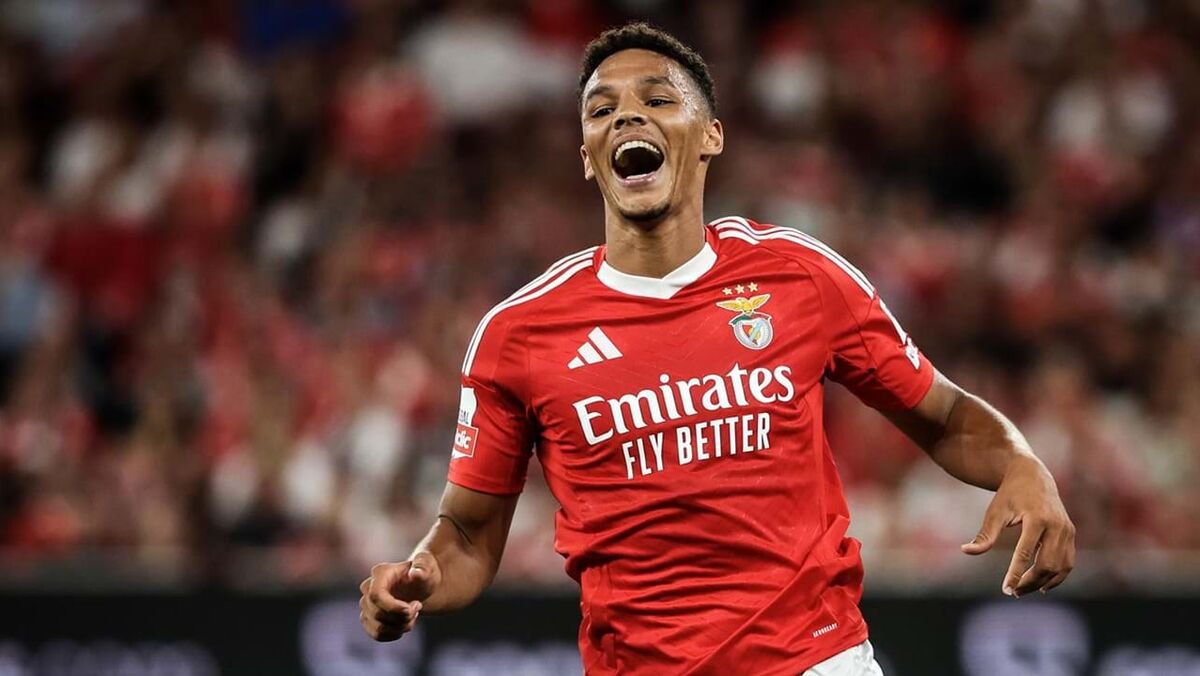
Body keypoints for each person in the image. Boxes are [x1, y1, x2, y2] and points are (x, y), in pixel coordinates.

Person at [359, 22, 1075, 675]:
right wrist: (421, 575)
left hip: (816, 662)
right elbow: (469, 533)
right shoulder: (518, 334)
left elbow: (944, 416)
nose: (627, 117)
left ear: (710, 136)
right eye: (602, 110)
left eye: (656, 99)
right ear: (587, 158)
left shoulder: (799, 275)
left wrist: (1023, 465)